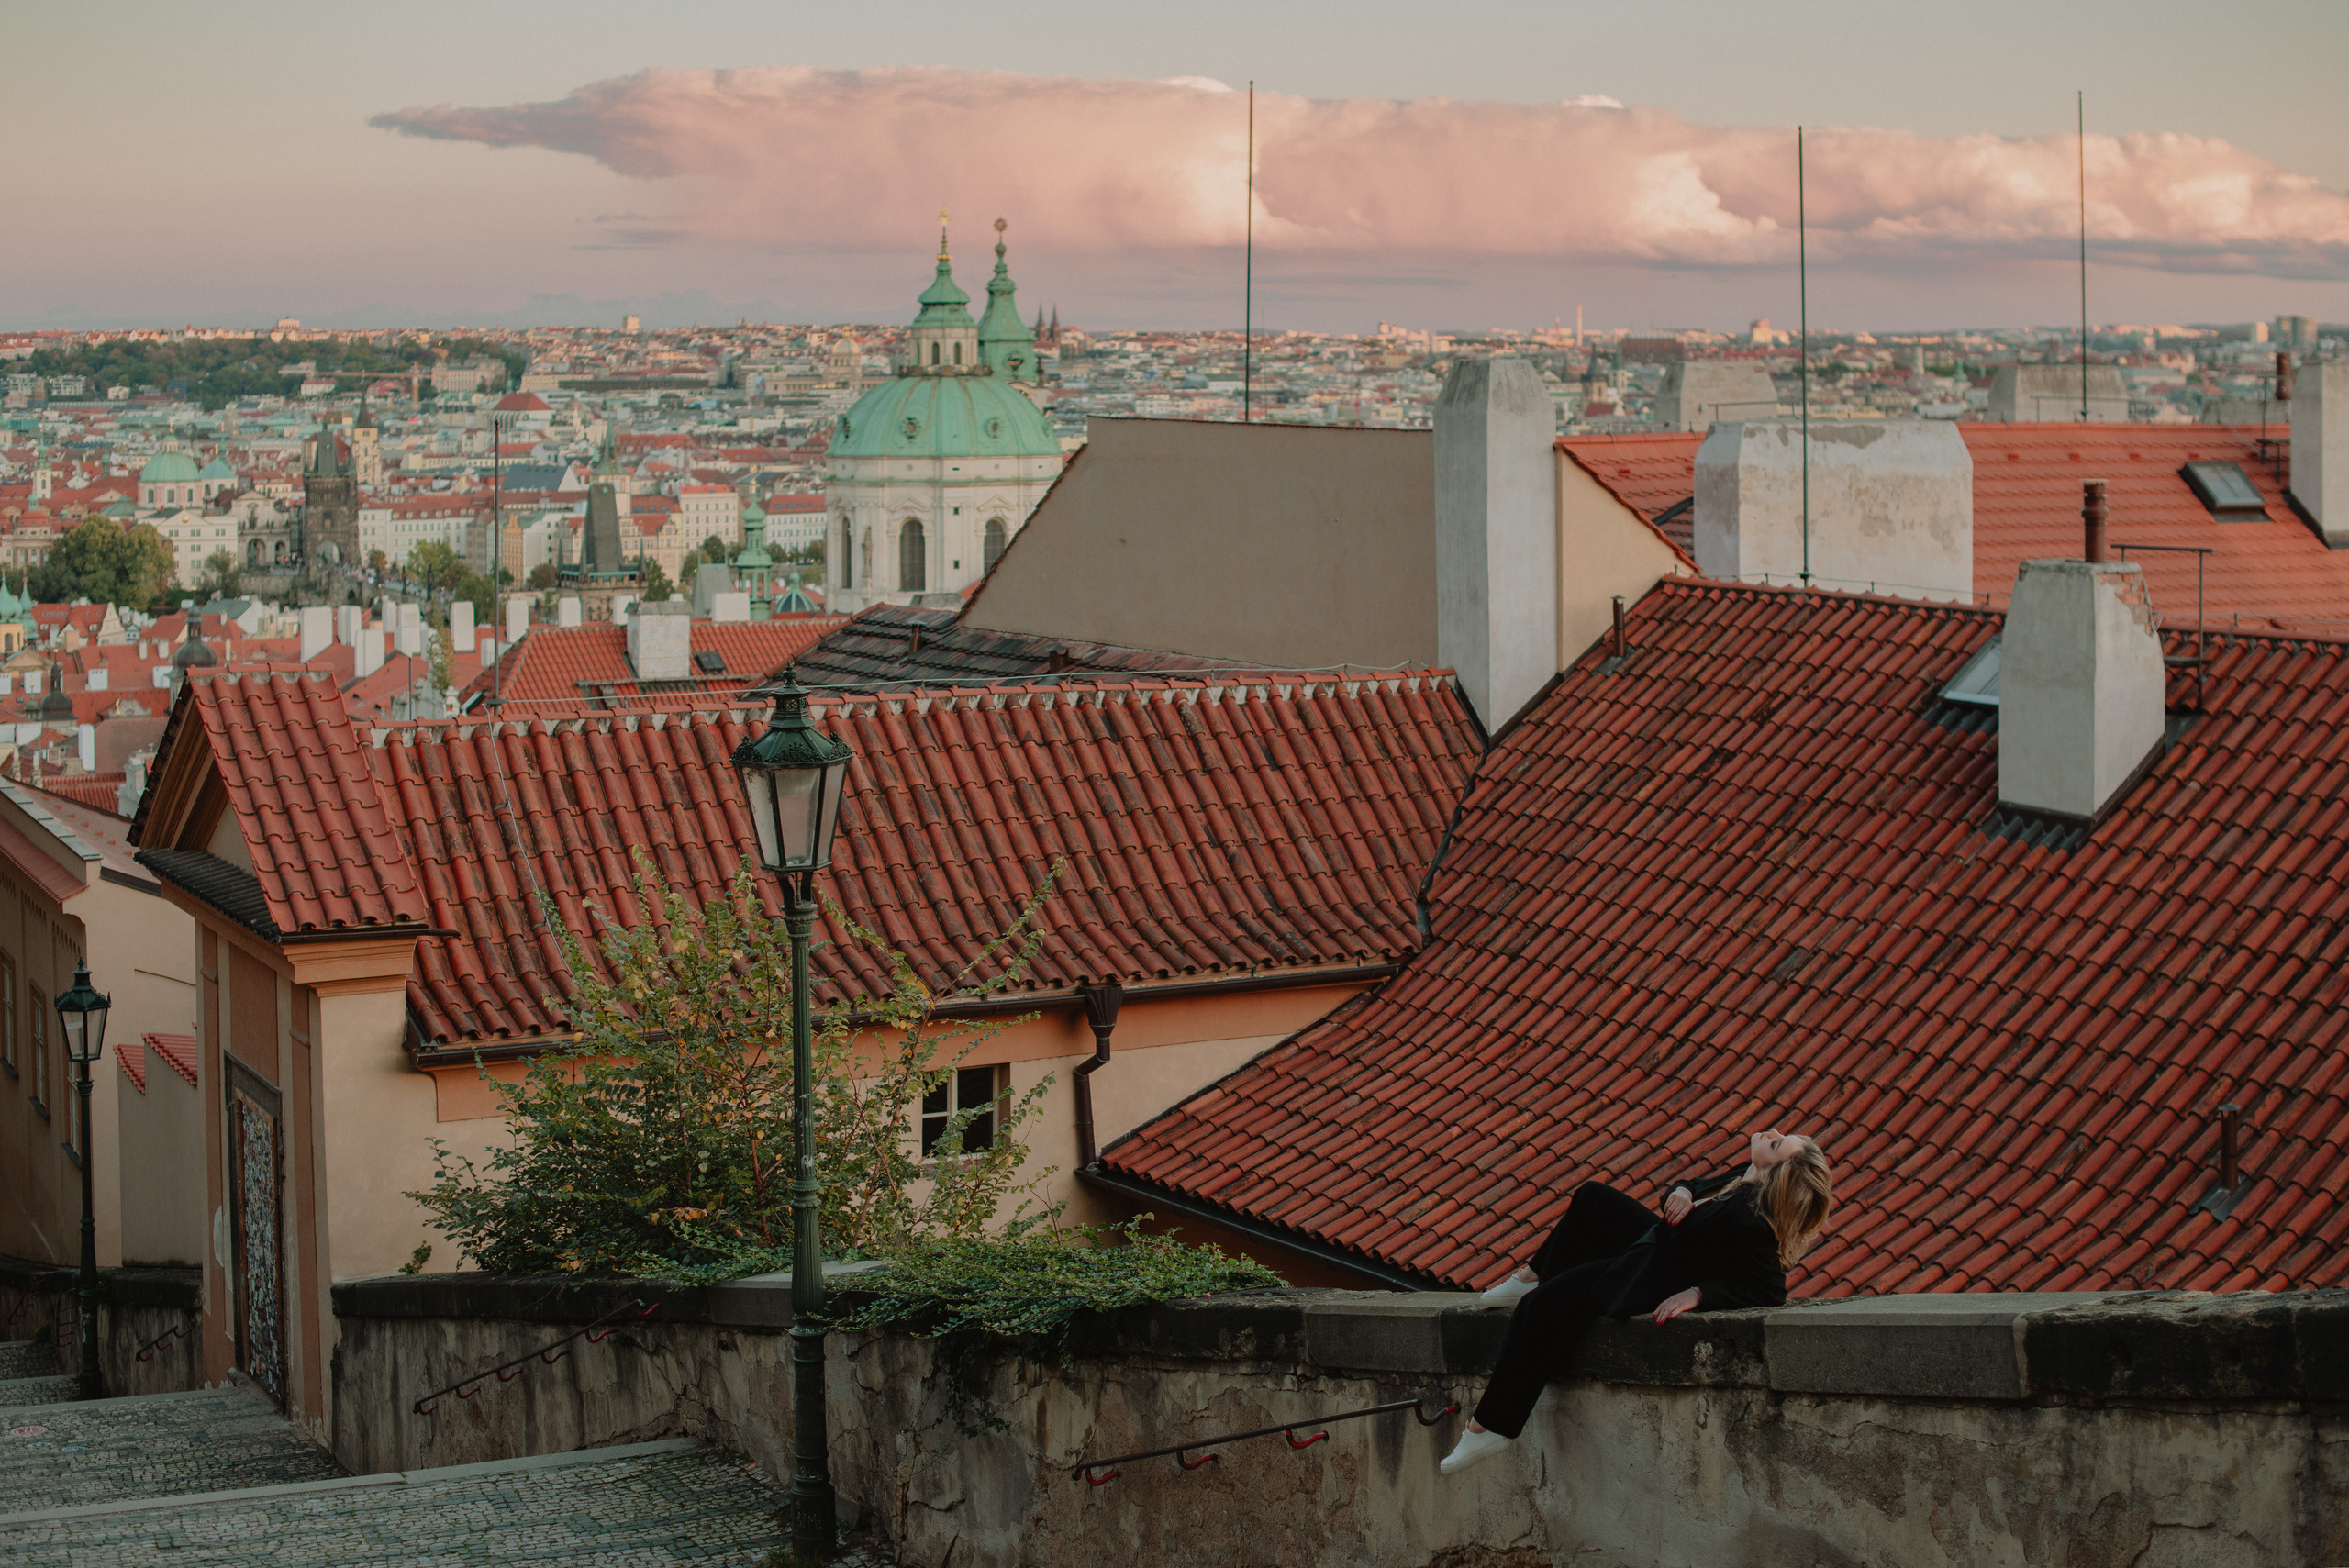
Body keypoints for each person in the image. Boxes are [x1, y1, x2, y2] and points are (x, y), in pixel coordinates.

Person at [1439, 1129, 1832, 1475]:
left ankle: (1491, 1427)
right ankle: (1529, 1277)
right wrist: (1682, 1191)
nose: (1771, 1132)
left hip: (1650, 1277)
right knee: (1593, 1198)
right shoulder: (1747, 1174)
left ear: (1773, 1176)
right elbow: (1691, 1185)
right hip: (1660, 1244)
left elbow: (1770, 1291)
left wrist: (1700, 1293)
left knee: (1541, 1307)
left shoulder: (1751, 1218)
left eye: (1777, 1144)